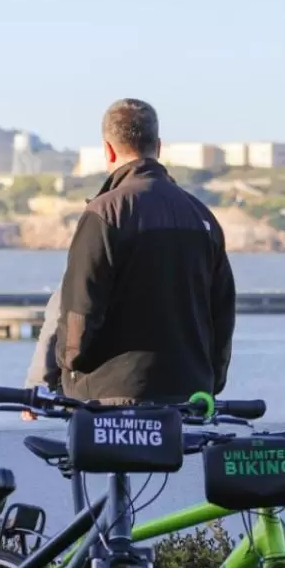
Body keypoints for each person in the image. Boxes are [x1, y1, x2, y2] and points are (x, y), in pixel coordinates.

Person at [54, 98, 236, 405]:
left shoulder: (105, 213)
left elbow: (81, 309)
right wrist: (213, 377)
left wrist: (69, 364)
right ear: (159, 146)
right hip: (190, 395)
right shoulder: (201, 216)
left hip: (113, 396)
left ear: (108, 150)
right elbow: (222, 310)